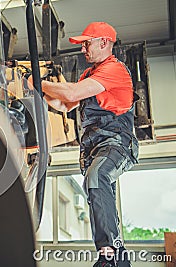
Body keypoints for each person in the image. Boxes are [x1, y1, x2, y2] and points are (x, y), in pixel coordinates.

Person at [34, 22, 139, 267]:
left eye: (87, 43)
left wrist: (38, 83)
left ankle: (109, 254)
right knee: (98, 194)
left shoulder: (115, 70)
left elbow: (70, 94)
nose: (83, 49)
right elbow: (64, 105)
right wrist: (36, 91)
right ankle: (116, 254)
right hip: (94, 149)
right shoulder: (88, 76)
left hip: (117, 145)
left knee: (96, 177)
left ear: (104, 42)